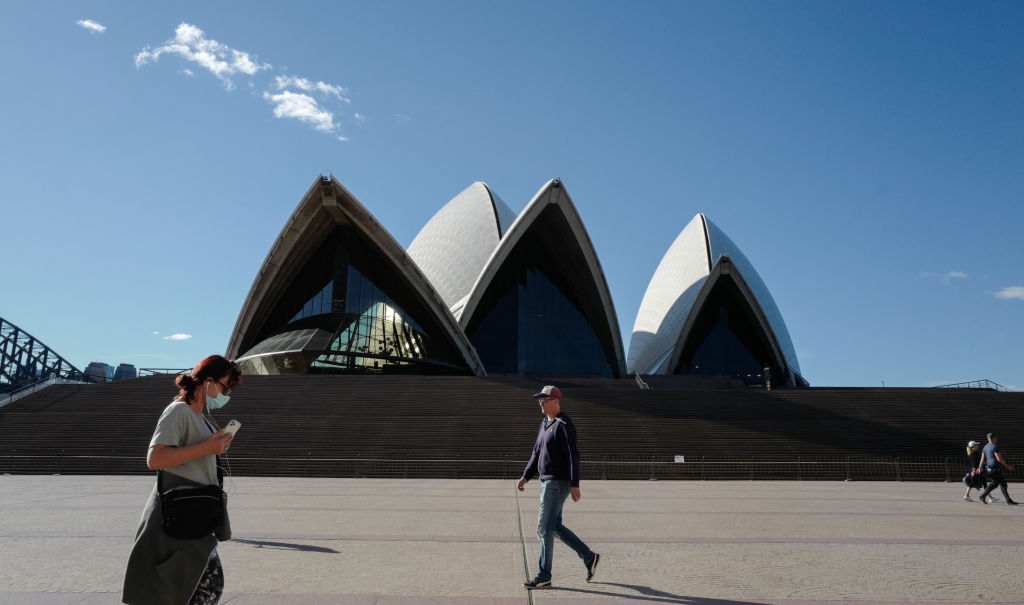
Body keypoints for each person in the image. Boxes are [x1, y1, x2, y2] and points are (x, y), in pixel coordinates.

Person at [122, 355, 242, 605]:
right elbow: (154, 459)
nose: (226, 394)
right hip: (177, 511)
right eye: (224, 386)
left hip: (196, 510)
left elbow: (199, 452)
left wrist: (214, 446)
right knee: (198, 584)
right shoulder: (178, 411)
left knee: (196, 585)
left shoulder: (203, 419)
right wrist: (206, 449)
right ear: (208, 381)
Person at [517, 385, 600, 589]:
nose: (541, 403)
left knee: (543, 528)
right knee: (555, 527)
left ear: (556, 401)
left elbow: (573, 455)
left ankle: (544, 575)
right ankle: (589, 557)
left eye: (545, 400)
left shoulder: (564, 423)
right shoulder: (544, 423)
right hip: (547, 481)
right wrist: (525, 476)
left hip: (558, 482)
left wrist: (575, 484)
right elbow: (536, 453)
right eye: (540, 400)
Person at [977, 433, 1018, 506]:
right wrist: (1007, 466)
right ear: (993, 439)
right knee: (995, 483)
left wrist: (979, 467)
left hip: (989, 469)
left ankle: (1008, 500)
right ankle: (982, 496)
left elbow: (982, 459)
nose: (996, 439)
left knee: (1003, 484)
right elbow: (999, 459)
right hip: (995, 469)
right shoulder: (995, 447)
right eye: (996, 438)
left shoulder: (985, 447)